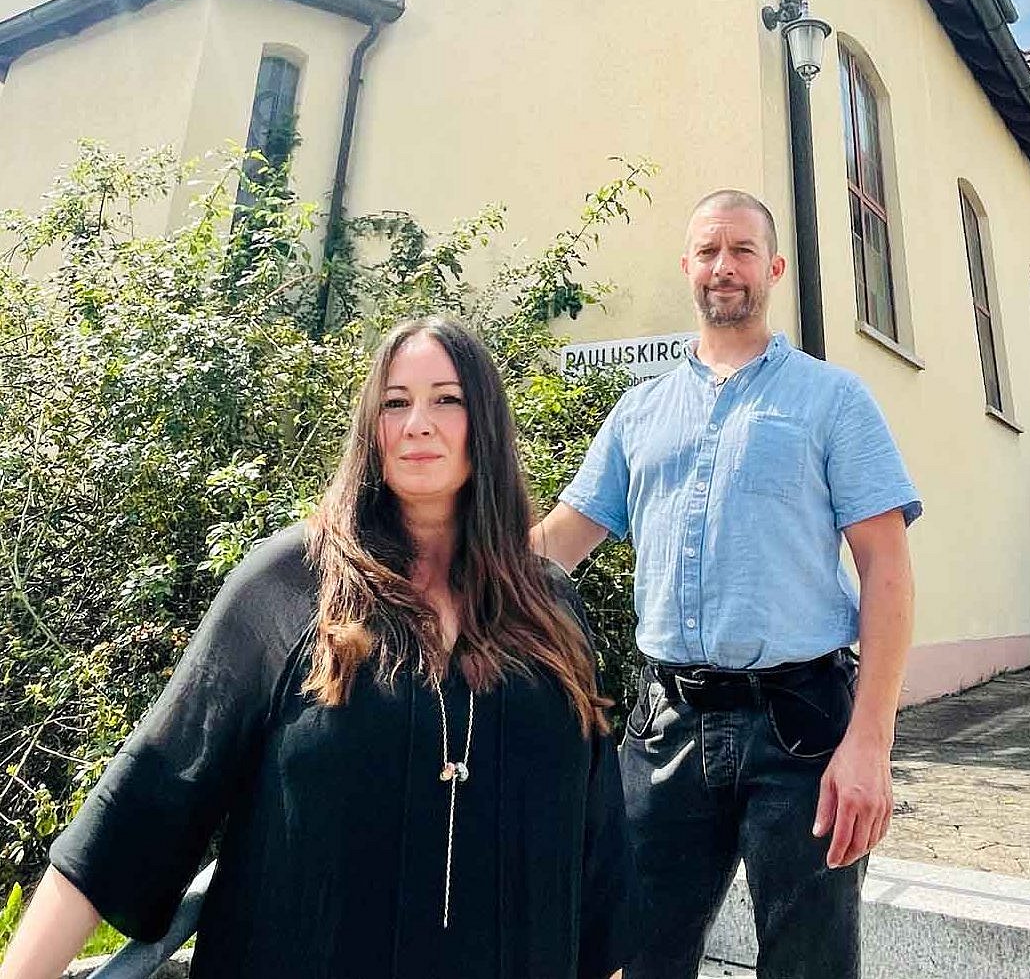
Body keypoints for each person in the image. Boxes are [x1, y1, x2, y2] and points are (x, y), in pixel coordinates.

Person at [1, 316, 635, 979]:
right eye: (395, 402)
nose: (418, 422)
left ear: (487, 423)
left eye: (447, 399)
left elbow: (596, 861)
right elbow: (145, 797)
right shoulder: (286, 586)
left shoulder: (549, 605)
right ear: (371, 428)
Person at [533, 190, 920, 979]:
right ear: (687, 267)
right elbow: (552, 550)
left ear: (773, 268)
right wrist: (438, 576)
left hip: (804, 729)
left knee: (809, 964)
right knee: (636, 956)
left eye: (742, 250)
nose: (724, 268)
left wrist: (870, 743)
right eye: (708, 251)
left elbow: (886, 568)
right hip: (664, 727)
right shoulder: (639, 412)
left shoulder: (832, 399)